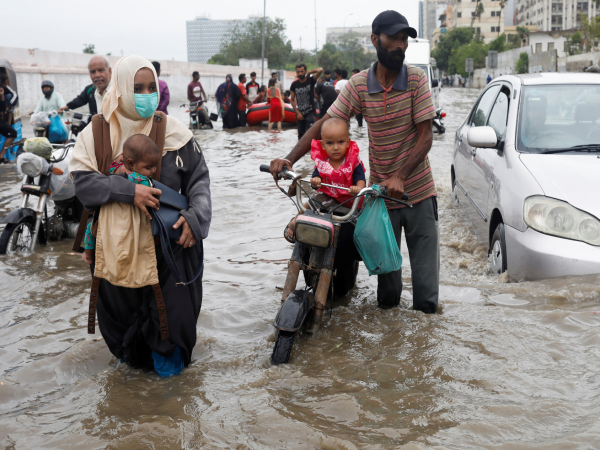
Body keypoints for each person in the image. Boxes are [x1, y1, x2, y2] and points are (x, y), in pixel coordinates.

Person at [270, 10, 439, 314]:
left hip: (419, 194)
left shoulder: (415, 80)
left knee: (426, 298)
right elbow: (325, 124)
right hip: (380, 199)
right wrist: (288, 158)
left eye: (404, 39)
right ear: (375, 40)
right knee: (387, 296)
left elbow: (426, 137)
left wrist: (400, 175)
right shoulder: (360, 85)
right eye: (393, 38)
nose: (400, 45)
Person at [69, 55, 211, 375]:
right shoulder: (96, 134)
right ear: (120, 90)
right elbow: (84, 183)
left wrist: (195, 219)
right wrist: (129, 191)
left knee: (172, 329)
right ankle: (133, 403)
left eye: (151, 87)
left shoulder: (176, 133)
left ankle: (169, 403)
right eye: (137, 88)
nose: (147, 94)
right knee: (123, 335)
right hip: (117, 251)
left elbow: (199, 181)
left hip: (171, 250)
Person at [82, 134, 161, 265]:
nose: (153, 170)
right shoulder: (142, 180)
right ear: (130, 163)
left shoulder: (114, 167)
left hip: (109, 218)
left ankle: (89, 257)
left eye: (155, 166)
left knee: (90, 229)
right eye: (148, 167)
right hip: (130, 221)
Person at [285, 117, 366, 242]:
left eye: (340, 142)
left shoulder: (353, 161)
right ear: (322, 144)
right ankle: (295, 220)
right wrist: (316, 181)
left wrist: (358, 188)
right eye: (330, 143)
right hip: (329, 197)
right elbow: (316, 178)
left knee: (361, 228)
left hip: (350, 201)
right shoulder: (323, 162)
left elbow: (361, 179)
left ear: (348, 142)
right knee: (311, 202)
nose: (335, 147)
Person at [290, 63, 323, 140]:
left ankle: (311, 151)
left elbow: (320, 70)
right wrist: (297, 112)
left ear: (305, 71)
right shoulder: (294, 84)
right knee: (301, 137)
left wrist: (310, 72)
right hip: (300, 114)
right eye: (298, 72)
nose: (300, 73)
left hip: (310, 113)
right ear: (296, 73)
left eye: (302, 71)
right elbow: (292, 100)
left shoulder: (311, 80)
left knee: (310, 135)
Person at [0, 74, 18, 163]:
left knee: (13, 133)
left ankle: (1, 156)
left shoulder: (4, 90)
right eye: (5, 81)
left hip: (2, 119)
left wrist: (2, 96)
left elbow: (14, 95)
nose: (7, 83)